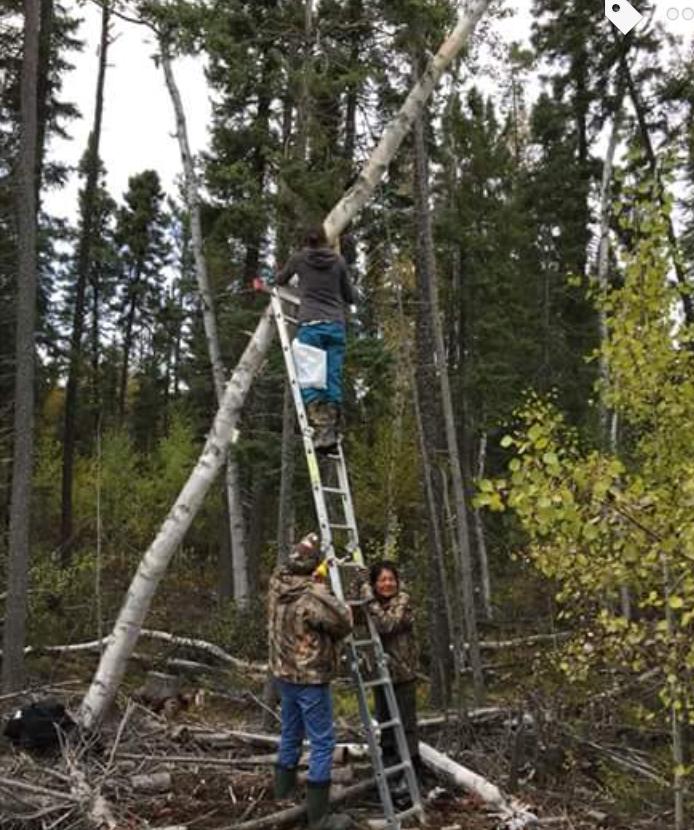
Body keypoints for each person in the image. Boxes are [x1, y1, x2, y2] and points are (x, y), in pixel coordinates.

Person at [268, 532, 353, 830]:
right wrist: (323, 585)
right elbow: (344, 622)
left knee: (290, 733)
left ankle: (283, 795)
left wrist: (310, 550)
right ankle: (319, 816)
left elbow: (290, 566)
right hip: (310, 676)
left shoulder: (277, 584)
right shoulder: (313, 596)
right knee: (322, 743)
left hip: (283, 674)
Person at [277, 226, 357, 451]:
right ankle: (330, 429)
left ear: (306, 243)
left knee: (311, 378)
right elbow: (350, 296)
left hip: (311, 325)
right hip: (335, 326)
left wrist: (300, 283)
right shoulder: (338, 262)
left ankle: (322, 427)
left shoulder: (299, 259)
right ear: (327, 242)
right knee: (332, 377)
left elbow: (281, 279)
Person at [360, 560, 421, 800]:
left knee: (405, 727)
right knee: (385, 726)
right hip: (381, 675)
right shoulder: (373, 604)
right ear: (374, 584)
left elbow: (386, 625)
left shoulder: (402, 600)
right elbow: (354, 619)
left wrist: (369, 599)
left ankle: (411, 779)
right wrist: (358, 590)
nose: (387, 584)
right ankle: (389, 777)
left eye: (391, 579)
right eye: (382, 580)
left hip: (402, 675)